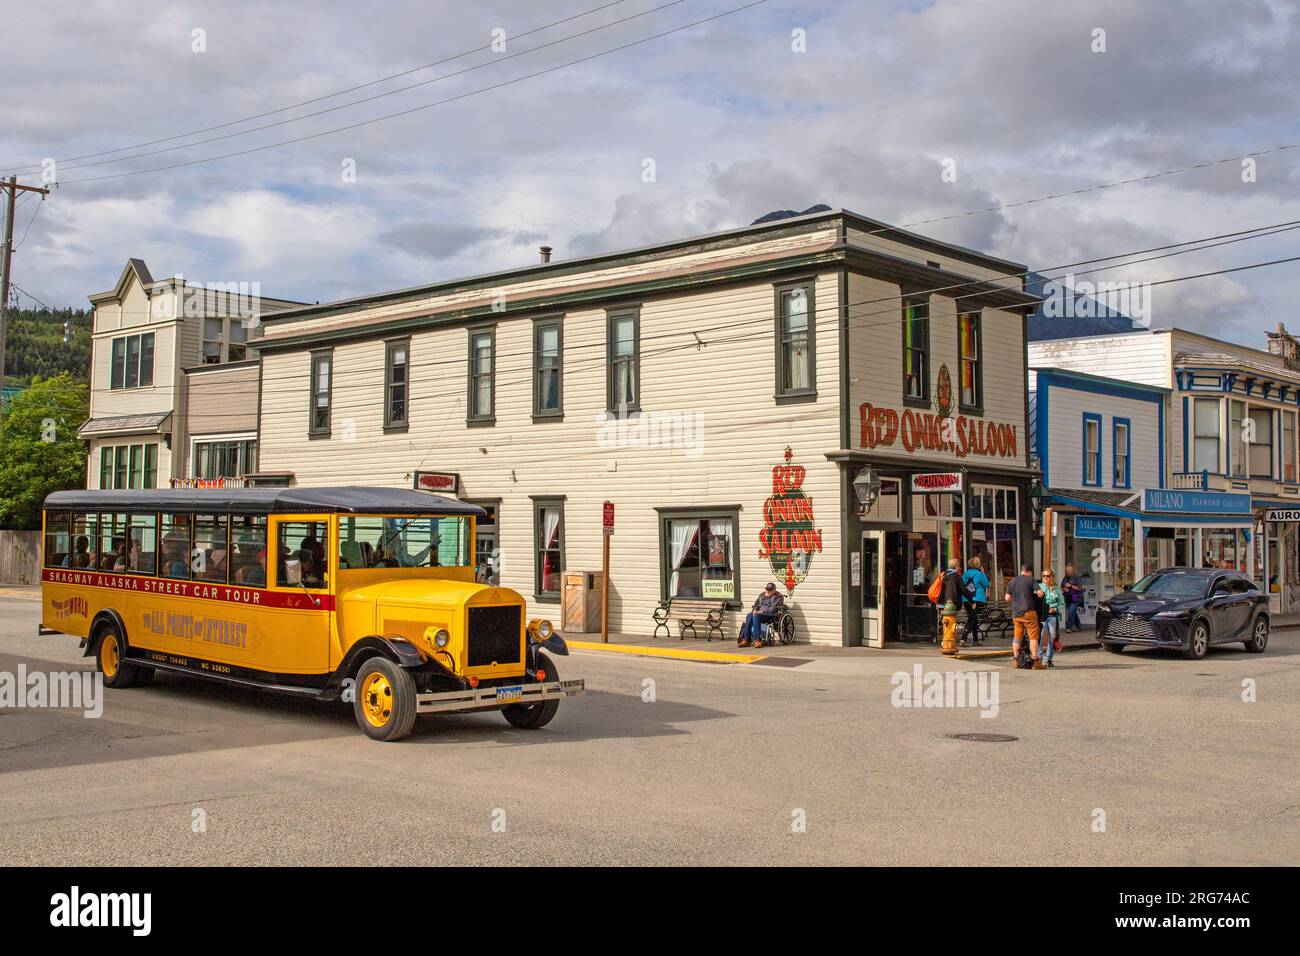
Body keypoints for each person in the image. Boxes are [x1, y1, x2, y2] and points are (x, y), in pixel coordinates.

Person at [1005, 563, 1044, 669]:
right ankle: (1036, 662)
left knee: (1017, 637)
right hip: (1029, 612)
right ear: (1029, 572)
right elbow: (1040, 593)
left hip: (1016, 614)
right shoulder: (1031, 580)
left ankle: (1016, 660)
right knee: (1033, 637)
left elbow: (1007, 598)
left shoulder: (1012, 581)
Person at [739, 583, 785, 648]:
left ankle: (757, 640)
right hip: (759, 613)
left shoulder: (778, 596)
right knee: (749, 615)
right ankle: (746, 639)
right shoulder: (762, 595)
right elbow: (756, 605)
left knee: (756, 616)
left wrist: (760, 612)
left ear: (774, 590)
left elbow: (773, 609)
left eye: (770, 590)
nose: (768, 591)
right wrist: (754, 611)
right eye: (767, 589)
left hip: (769, 615)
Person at [1038, 568, 1065, 667]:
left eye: (1048, 576)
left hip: (1052, 616)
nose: (1045, 578)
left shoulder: (1056, 589)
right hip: (1042, 616)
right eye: (1044, 576)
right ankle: (1039, 658)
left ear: (1052, 577)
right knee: (1039, 637)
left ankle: (1049, 659)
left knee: (1051, 637)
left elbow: (1062, 603)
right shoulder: (1039, 587)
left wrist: (1056, 609)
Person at [961, 555, 990, 647]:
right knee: (972, 618)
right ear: (978, 565)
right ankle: (963, 638)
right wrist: (983, 573)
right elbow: (986, 584)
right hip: (977, 599)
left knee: (974, 618)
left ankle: (975, 640)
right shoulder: (979, 574)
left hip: (966, 599)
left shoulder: (965, 574)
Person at [938, 558, 963, 653]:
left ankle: (945, 641)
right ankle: (948, 642)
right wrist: (971, 600)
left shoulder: (943, 575)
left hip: (943, 602)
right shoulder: (957, 576)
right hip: (953, 603)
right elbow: (963, 589)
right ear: (956, 566)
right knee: (950, 623)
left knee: (946, 622)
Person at [1061, 564, 1084, 632]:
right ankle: (1079, 626)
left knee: (1071, 612)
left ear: (1072, 571)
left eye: (1068, 572)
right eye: (1066, 572)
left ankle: (1069, 627)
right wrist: (1064, 589)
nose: (1067, 573)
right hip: (1068, 598)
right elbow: (1062, 587)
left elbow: (1079, 588)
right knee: (1073, 612)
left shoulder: (1077, 578)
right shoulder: (1065, 578)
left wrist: (1070, 586)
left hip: (1076, 598)